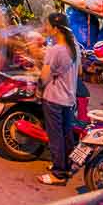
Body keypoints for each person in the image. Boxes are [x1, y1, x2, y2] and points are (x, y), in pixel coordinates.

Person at [36, 12, 81, 186]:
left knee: (55, 137)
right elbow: (79, 72)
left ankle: (58, 174)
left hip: (54, 98)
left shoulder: (56, 50)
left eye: (48, 25)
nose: (46, 28)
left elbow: (45, 76)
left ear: (55, 29)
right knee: (66, 135)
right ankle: (66, 165)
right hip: (69, 98)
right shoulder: (74, 46)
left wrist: (39, 90)